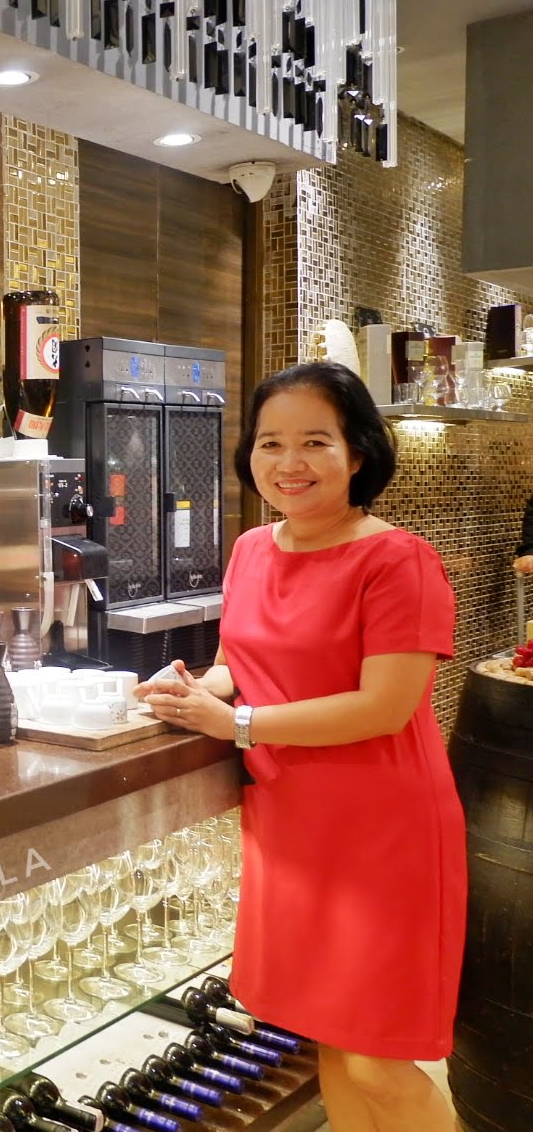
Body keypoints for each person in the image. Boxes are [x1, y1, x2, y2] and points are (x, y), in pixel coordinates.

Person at [138, 361, 463, 1132]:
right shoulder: (252, 549)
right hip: (290, 828)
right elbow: (237, 665)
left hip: (383, 833)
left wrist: (238, 725)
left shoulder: (398, 559)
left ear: (358, 453)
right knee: (328, 1041)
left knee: (377, 1060)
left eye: (315, 441)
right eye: (271, 442)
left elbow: (384, 707)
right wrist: (192, 689)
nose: (290, 462)